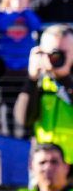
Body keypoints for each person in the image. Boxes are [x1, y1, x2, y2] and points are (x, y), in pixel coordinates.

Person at [20, 24, 73, 159]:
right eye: (53, 53)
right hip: (46, 162)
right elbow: (24, 120)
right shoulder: (40, 82)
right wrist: (32, 80)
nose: (57, 58)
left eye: (63, 53)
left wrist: (65, 78)